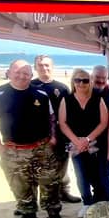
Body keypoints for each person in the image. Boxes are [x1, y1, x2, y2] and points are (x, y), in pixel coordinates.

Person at [0, 59, 63, 218]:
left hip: (42, 148)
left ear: (31, 75)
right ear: (9, 72)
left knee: (49, 182)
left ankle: (53, 212)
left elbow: (52, 118)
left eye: (26, 73)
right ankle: (28, 213)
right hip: (14, 150)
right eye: (18, 72)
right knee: (20, 184)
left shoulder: (41, 95)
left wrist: (53, 137)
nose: (22, 76)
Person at [59, 68, 109, 217]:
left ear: (90, 82)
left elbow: (104, 122)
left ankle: (100, 201)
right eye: (78, 80)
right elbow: (62, 123)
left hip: (96, 143)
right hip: (75, 145)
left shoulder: (97, 98)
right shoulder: (66, 100)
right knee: (81, 175)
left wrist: (88, 139)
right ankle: (87, 203)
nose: (81, 83)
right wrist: (77, 141)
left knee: (98, 175)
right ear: (73, 82)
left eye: (85, 80)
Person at [31, 54, 81, 204]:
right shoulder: (30, 86)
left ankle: (64, 192)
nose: (44, 68)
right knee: (39, 169)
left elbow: (71, 112)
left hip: (60, 134)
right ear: (35, 68)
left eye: (47, 65)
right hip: (37, 135)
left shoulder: (62, 88)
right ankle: (41, 199)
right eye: (40, 65)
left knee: (62, 165)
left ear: (52, 67)